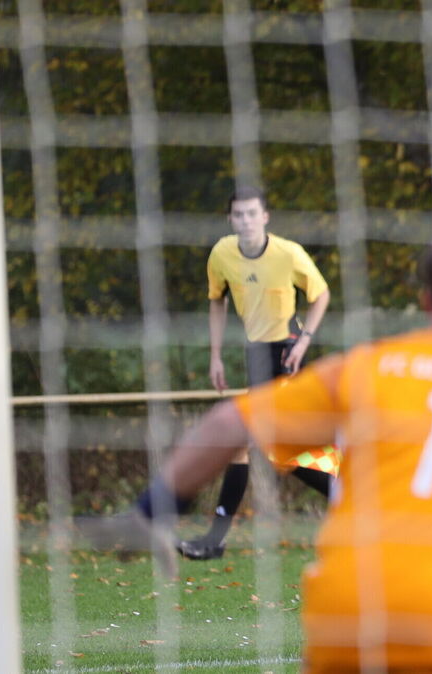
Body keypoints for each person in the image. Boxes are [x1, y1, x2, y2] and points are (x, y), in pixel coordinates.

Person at [81, 221, 432, 673]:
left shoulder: (366, 370)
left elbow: (227, 424)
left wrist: (152, 510)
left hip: (347, 619)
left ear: (428, 301)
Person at [182, 185, 335, 560]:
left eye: (253, 213)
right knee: (277, 448)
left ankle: (214, 539)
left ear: (265, 217)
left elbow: (321, 295)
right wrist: (215, 356)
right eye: (239, 215)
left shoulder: (288, 253)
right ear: (231, 219)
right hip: (256, 355)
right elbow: (216, 303)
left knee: (249, 443)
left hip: (285, 353)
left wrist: (303, 343)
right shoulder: (221, 254)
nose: (246, 221)